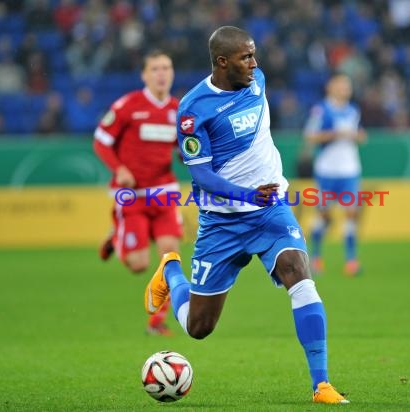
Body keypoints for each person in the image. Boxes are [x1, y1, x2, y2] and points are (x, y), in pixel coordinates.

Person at [144, 26, 348, 404]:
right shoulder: (192, 110)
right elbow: (201, 174)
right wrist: (245, 193)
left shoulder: (257, 81)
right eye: (246, 57)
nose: (255, 63)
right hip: (221, 223)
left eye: (254, 55)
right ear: (222, 62)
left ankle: (321, 384)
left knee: (299, 274)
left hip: (271, 210)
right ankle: (170, 270)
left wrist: (260, 194)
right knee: (197, 328)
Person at [93, 49, 182, 336]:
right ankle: (116, 235)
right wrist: (118, 168)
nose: (162, 73)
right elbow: (101, 142)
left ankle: (157, 322)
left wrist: (186, 154)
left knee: (171, 257)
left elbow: (182, 148)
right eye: (155, 68)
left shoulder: (179, 110)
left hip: (164, 193)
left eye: (166, 68)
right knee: (138, 265)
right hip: (131, 195)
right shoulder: (127, 106)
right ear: (144, 74)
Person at [303, 73, 367, 276]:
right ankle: (315, 258)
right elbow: (310, 136)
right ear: (331, 87)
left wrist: (359, 136)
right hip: (327, 170)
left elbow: (358, 135)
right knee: (325, 217)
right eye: (341, 85)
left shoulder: (353, 110)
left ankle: (351, 261)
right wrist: (335, 134)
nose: (345, 89)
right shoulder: (322, 110)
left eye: (347, 86)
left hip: (349, 170)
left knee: (351, 213)